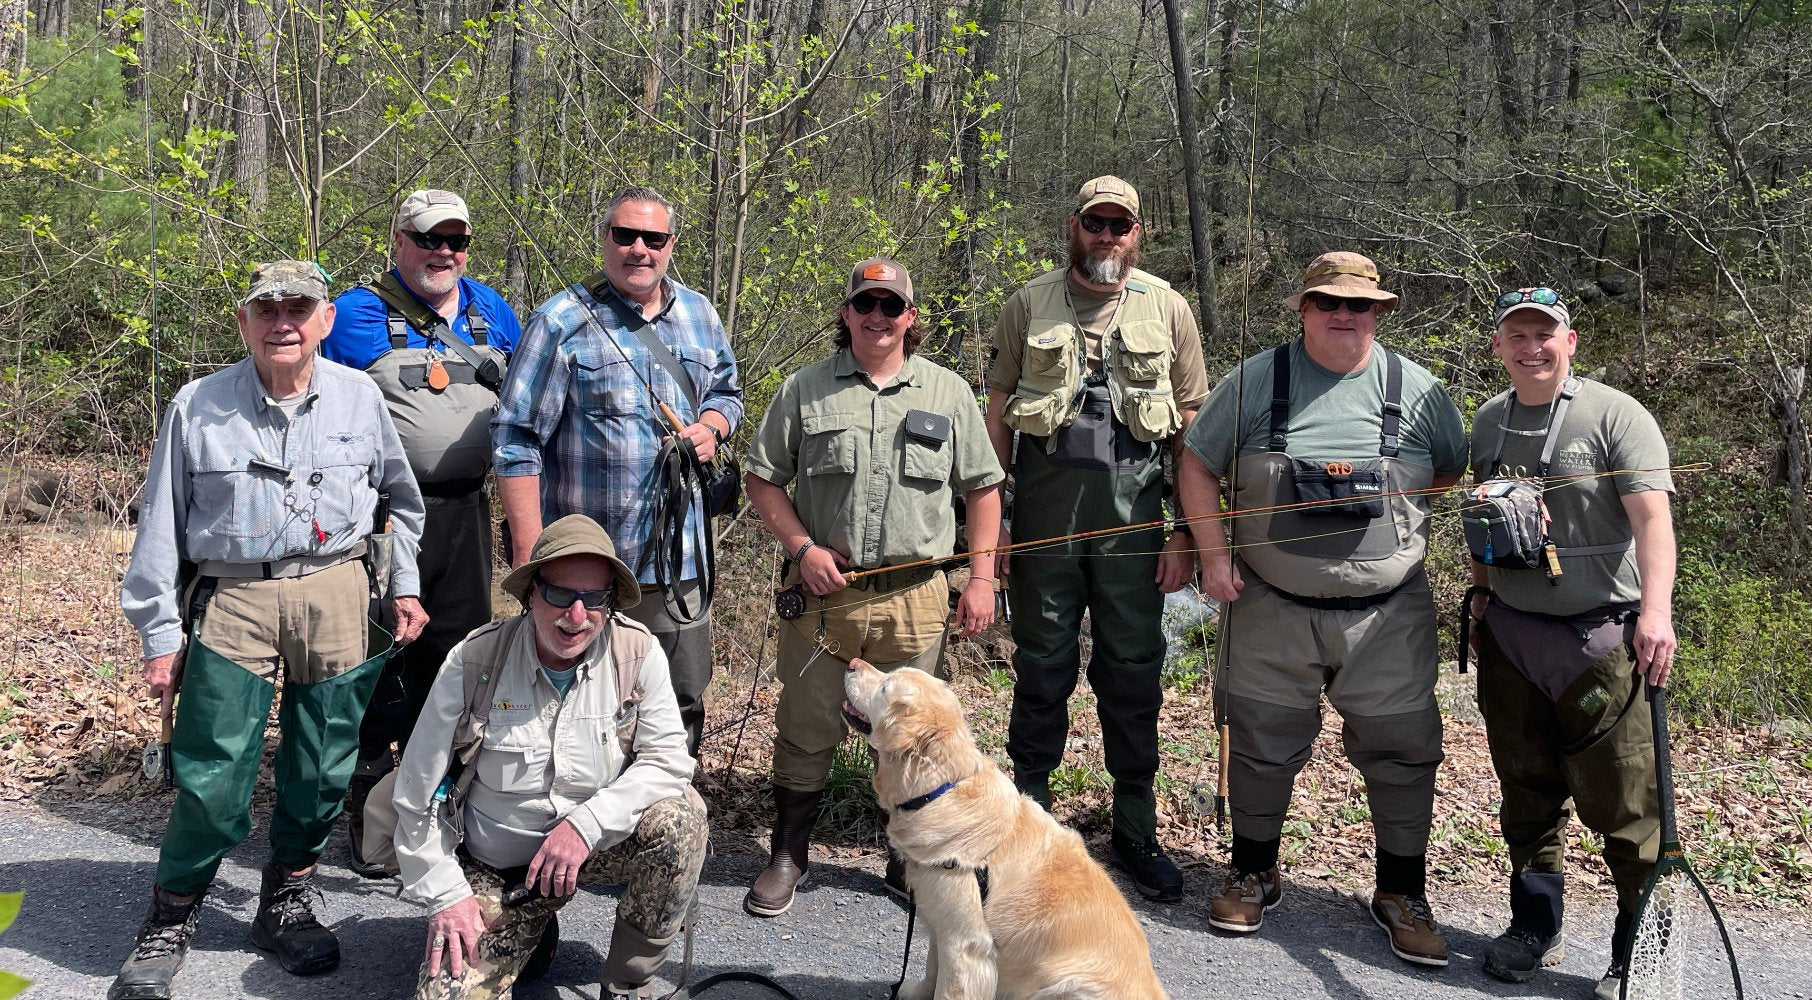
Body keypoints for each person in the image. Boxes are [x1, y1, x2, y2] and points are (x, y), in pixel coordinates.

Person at [110, 261, 428, 1000]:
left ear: (324, 321)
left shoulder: (359, 398)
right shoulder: (198, 405)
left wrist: (403, 584)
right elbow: (159, 526)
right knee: (212, 776)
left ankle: (284, 901)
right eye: (267, 309)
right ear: (244, 322)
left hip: (338, 590)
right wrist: (159, 633)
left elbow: (403, 504)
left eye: (300, 308)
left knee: (321, 767)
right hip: (236, 596)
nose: (283, 321)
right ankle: (172, 913)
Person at [1178, 251, 1467, 966]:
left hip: (1389, 616)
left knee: (1403, 751)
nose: (1345, 314)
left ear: (1380, 312)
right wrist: (1213, 555)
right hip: (1270, 608)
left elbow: (1452, 469)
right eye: (1328, 302)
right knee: (1260, 745)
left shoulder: (1420, 390)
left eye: (1360, 305)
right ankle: (1253, 871)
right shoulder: (1253, 381)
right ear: (1303, 309)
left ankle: (1401, 892)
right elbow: (1194, 462)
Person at [740, 258, 1005, 917]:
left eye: (892, 307)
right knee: (804, 729)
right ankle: (789, 853)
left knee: (914, 738)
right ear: (847, 313)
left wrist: (980, 578)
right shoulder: (805, 390)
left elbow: (983, 489)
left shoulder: (947, 394)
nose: (878, 317)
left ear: (911, 318)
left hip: (916, 597)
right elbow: (762, 478)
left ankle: (907, 861)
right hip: (825, 597)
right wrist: (800, 549)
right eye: (866, 305)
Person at [981, 175, 1208, 903]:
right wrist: (997, 522)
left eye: (1121, 226)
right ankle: (1027, 824)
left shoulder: (1168, 308)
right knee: (1041, 669)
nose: (1107, 236)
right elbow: (996, 416)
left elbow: (1193, 427)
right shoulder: (1028, 303)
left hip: (1136, 531)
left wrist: (1185, 533)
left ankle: (1135, 830)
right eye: (1095, 223)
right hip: (1044, 527)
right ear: (1072, 225)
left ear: (1138, 233)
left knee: (1133, 674)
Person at [392, 514, 707, 999]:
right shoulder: (475, 661)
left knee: (681, 818)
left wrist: (585, 826)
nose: (576, 616)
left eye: (594, 599)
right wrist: (447, 897)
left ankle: (628, 983)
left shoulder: (636, 654)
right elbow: (415, 794)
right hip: (498, 865)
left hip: (593, 850)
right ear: (531, 594)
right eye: (560, 595)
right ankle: (529, 929)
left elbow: (669, 760)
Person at [1468, 288, 1675, 1000]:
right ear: (1498, 346)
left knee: (1628, 806)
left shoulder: (1617, 415)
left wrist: (1657, 614)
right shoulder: (1490, 419)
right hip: (1512, 638)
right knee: (1526, 795)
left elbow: (1653, 522)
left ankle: (1635, 950)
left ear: (1571, 340)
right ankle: (1533, 926)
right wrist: (1482, 598)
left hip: (1603, 639)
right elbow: (1483, 519)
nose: (1532, 348)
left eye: (1544, 334)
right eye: (1517, 336)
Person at [494, 184, 742, 760]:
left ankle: (664, 823)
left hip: (679, 562)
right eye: (624, 235)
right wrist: (534, 557)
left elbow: (728, 393)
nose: (638, 249)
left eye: (652, 238)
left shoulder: (701, 315)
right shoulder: (561, 321)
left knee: (678, 702)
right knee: (579, 702)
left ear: (671, 245)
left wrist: (710, 426)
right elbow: (515, 439)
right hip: (585, 568)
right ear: (603, 239)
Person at [324, 188, 521, 878]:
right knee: (378, 665)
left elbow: (525, 409)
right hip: (381, 519)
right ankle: (368, 815)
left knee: (455, 662)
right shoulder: (348, 313)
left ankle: (438, 804)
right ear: (399, 239)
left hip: (468, 513)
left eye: (455, 241)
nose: (443, 252)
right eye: (428, 238)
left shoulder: (492, 309)